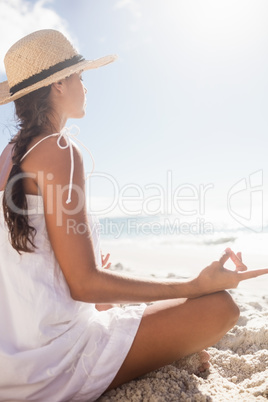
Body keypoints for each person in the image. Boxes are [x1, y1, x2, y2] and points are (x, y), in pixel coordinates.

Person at [0, 29, 267, 402]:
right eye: (81, 76)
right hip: (51, 364)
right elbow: (85, 284)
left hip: (13, 358)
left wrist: (96, 297)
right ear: (59, 83)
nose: (86, 87)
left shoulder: (9, 154)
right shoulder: (60, 150)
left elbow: (26, 273)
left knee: (133, 312)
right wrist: (194, 285)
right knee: (220, 306)